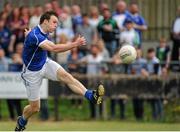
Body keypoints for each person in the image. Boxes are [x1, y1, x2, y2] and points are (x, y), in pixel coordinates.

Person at [15, 11, 105, 131]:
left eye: (57, 23)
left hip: (45, 63)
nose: (56, 25)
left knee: (67, 76)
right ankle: (22, 121)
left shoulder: (42, 32)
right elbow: (54, 48)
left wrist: (27, 37)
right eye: (54, 22)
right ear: (45, 21)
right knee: (35, 108)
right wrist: (75, 44)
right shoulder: (35, 35)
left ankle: (91, 96)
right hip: (31, 73)